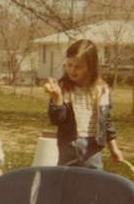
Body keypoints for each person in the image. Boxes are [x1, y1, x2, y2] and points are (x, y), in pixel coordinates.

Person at [44, 39, 123, 168]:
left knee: (93, 184)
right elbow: (57, 120)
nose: (72, 70)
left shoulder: (102, 89)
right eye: (69, 65)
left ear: (90, 67)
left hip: (93, 148)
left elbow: (107, 122)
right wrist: (57, 98)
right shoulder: (63, 88)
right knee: (66, 183)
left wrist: (114, 148)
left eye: (78, 67)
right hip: (69, 145)